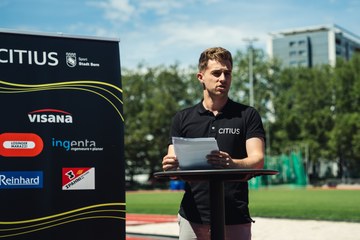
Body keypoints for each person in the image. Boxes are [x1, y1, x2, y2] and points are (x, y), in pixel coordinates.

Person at [162, 47, 266, 240]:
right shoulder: (182, 118)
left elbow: (258, 159)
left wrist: (232, 163)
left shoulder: (248, 115)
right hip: (192, 217)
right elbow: (174, 164)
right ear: (200, 77)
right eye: (216, 73)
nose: (223, 79)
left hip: (235, 216)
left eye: (227, 73)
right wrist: (171, 166)